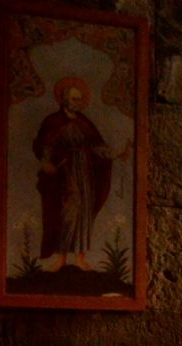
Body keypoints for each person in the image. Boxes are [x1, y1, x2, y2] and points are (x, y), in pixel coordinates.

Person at [32, 77, 114, 271]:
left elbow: (96, 145)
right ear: (64, 99)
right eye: (74, 99)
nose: (78, 103)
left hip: (85, 171)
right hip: (65, 171)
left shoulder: (84, 122)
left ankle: (79, 257)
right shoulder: (53, 121)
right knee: (69, 209)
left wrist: (111, 153)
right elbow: (44, 145)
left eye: (80, 99)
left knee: (85, 210)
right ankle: (60, 258)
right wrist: (46, 161)